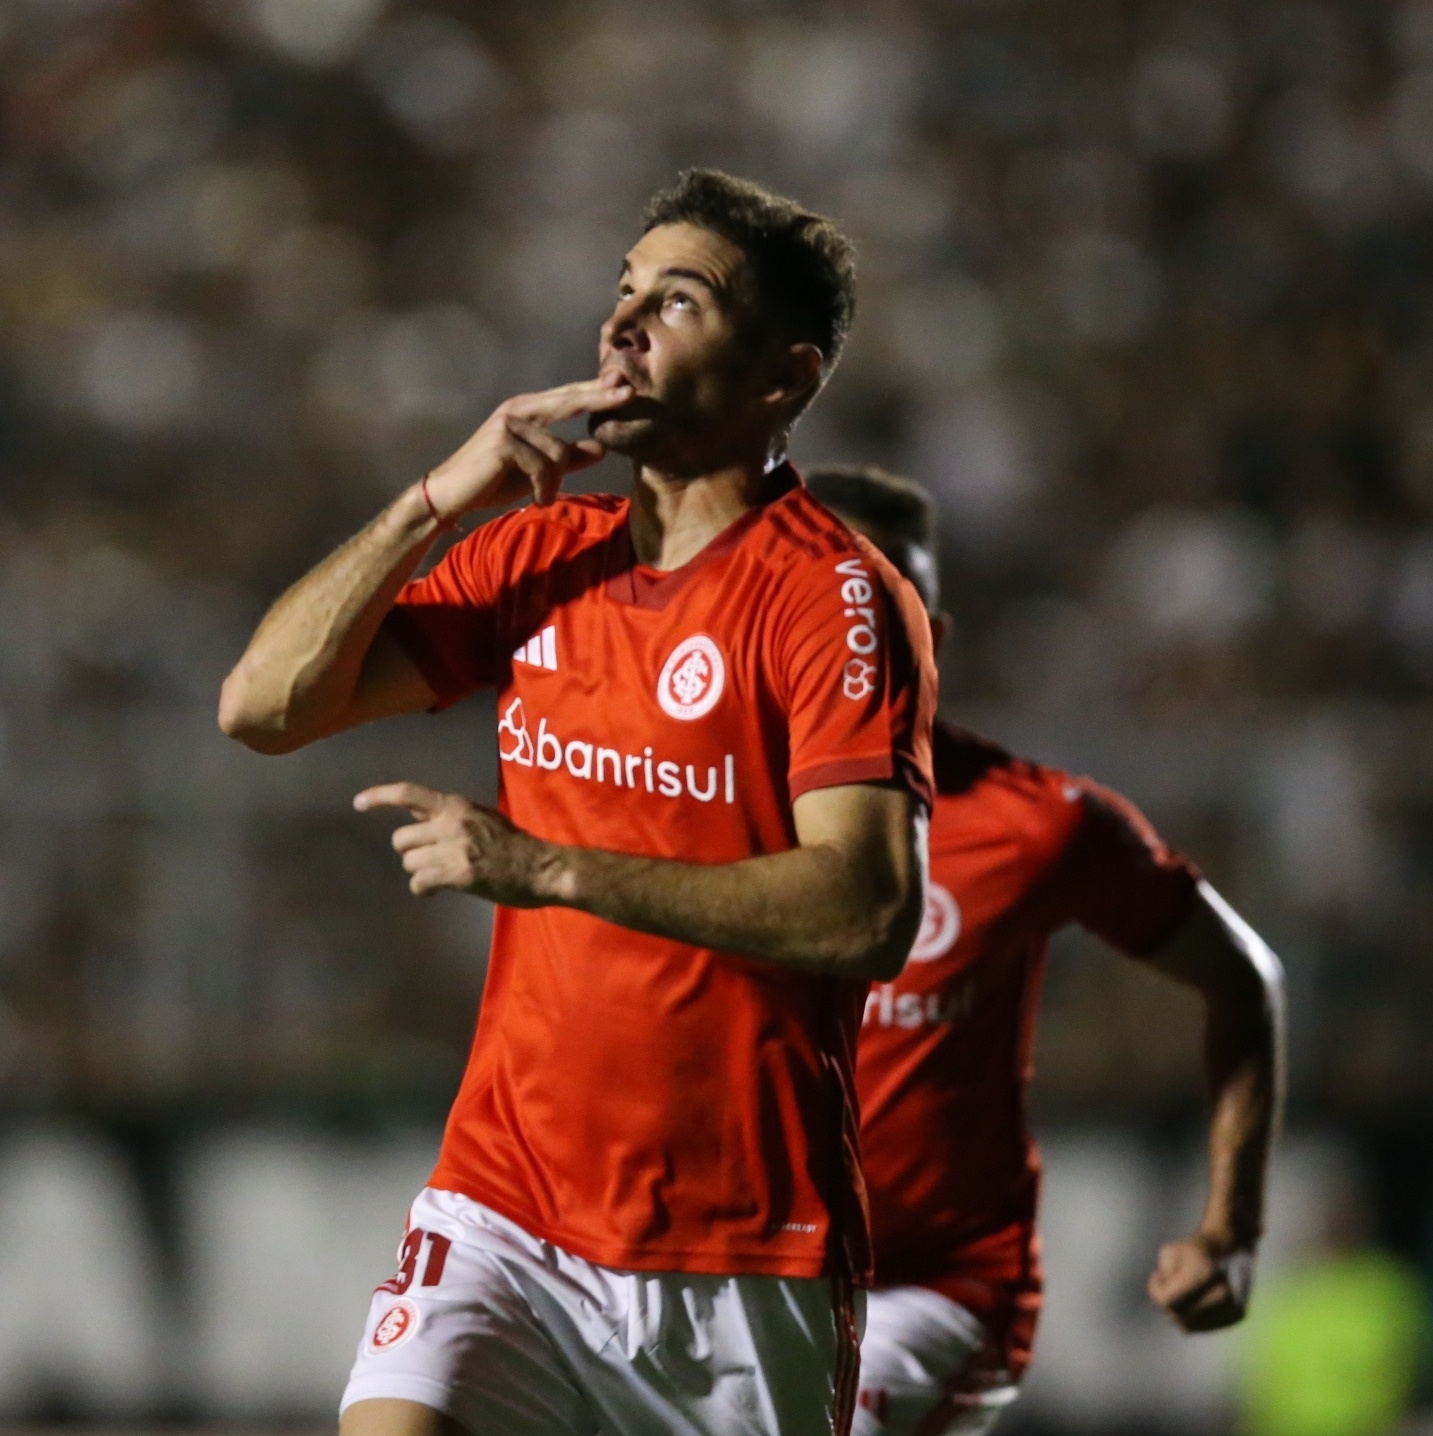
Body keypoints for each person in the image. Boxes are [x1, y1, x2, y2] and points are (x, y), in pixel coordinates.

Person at [218, 173, 937, 1436]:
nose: (623, 323)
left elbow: (867, 908)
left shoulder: (831, 599)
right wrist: (443, 494)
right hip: (507, 1206)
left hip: (741, 1252)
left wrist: (547, 868)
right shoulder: (542, 555)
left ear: (781, 376)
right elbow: (264, 707)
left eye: (678, 299)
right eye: (621, 289)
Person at [803, 465, 1287, 1436]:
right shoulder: (692, 805)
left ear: (930, 638)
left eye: (882, 603)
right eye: (821, 599)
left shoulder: (1036, 823)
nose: (852, 635)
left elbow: (1243, 977)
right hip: (736, 1282)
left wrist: (1226, 1226)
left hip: (934, 1292)